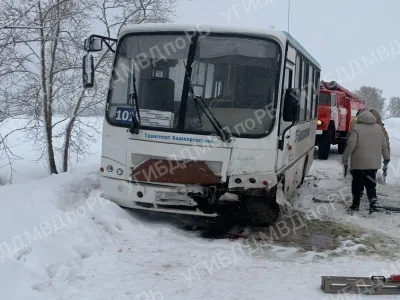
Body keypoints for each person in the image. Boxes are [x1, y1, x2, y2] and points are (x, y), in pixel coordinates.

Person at [342, 110, 390, 212]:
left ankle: (355, 205)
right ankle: (373, 202)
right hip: (373, 164)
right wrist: (386, 158)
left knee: (357, 184)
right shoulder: (378, 128)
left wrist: (345, 157)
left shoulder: (357, 128)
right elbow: (384, 146)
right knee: (371, 184)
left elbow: (351, 145)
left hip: (358, 163)